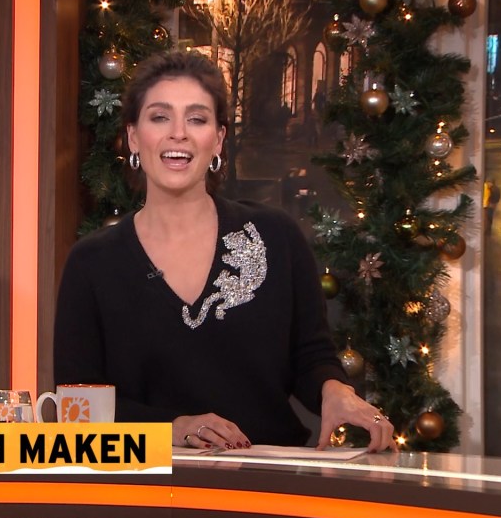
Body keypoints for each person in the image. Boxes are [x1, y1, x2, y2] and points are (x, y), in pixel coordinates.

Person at [53, 51, 396, 452]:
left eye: (197, 119)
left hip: (266, 476)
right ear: (133, 136)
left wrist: (334, 390)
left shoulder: (275, 237)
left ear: (217, 139)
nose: (178, 133)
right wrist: (171, 428)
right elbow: (77, 406)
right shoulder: (93, 262)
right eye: (160, 117)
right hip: (146, 481)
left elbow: (311, 356)